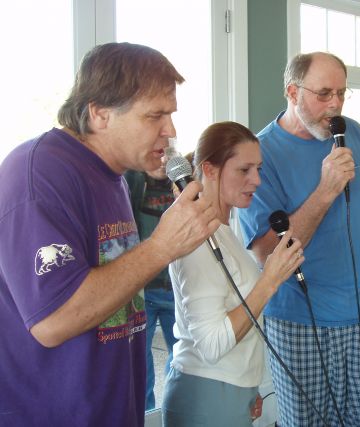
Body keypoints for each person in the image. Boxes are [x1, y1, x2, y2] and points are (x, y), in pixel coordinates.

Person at [0, 42, 219, 426]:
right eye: (155, 116)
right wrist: (161, 247)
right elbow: (53, 322)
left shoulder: (112, 177)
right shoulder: (38, 174)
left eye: (170, 115)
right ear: (99, 114)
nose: (171, 131)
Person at [238, 52, 360, 426]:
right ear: (292, 92)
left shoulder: (352, 132)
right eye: (324, 94)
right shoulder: (261, 155)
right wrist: (325, 191)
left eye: (342, 93)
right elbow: (267, 254)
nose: (335, 105)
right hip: (301, 324)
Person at [161, 121, 305, 427]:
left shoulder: (225, 230)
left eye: (258, 169)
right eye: (244, 170)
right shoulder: (196, 236)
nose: (256, 180)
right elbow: (212, 344)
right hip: (206, 397)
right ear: (209, 170)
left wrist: (248, 386)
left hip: (231, 393)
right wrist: (270, 280)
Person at [125, 161, 178, 410]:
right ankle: (146, 413)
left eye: (166, 153)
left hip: (176, 292)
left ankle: (170, 405)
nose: (161, 160)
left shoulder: (182, 183)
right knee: (141, 362)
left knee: (181, 358)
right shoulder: (132, 182)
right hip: (143, 292)